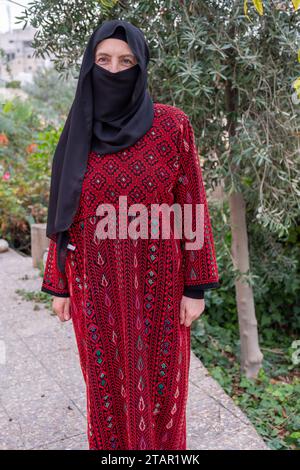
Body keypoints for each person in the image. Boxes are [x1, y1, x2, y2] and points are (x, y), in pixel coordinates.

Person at [41, 19, 220, 450]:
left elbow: (192, 205)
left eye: (126, 61)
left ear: (141, 69)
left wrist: (195, 288)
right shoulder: (77, 132)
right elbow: (63, 216)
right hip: (97, 293)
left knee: (164, 398)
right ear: (89, 65)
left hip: (162, 288)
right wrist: (59, 282)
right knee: (105, 397)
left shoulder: (171, 126)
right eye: (103, 60)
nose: (114, 70)